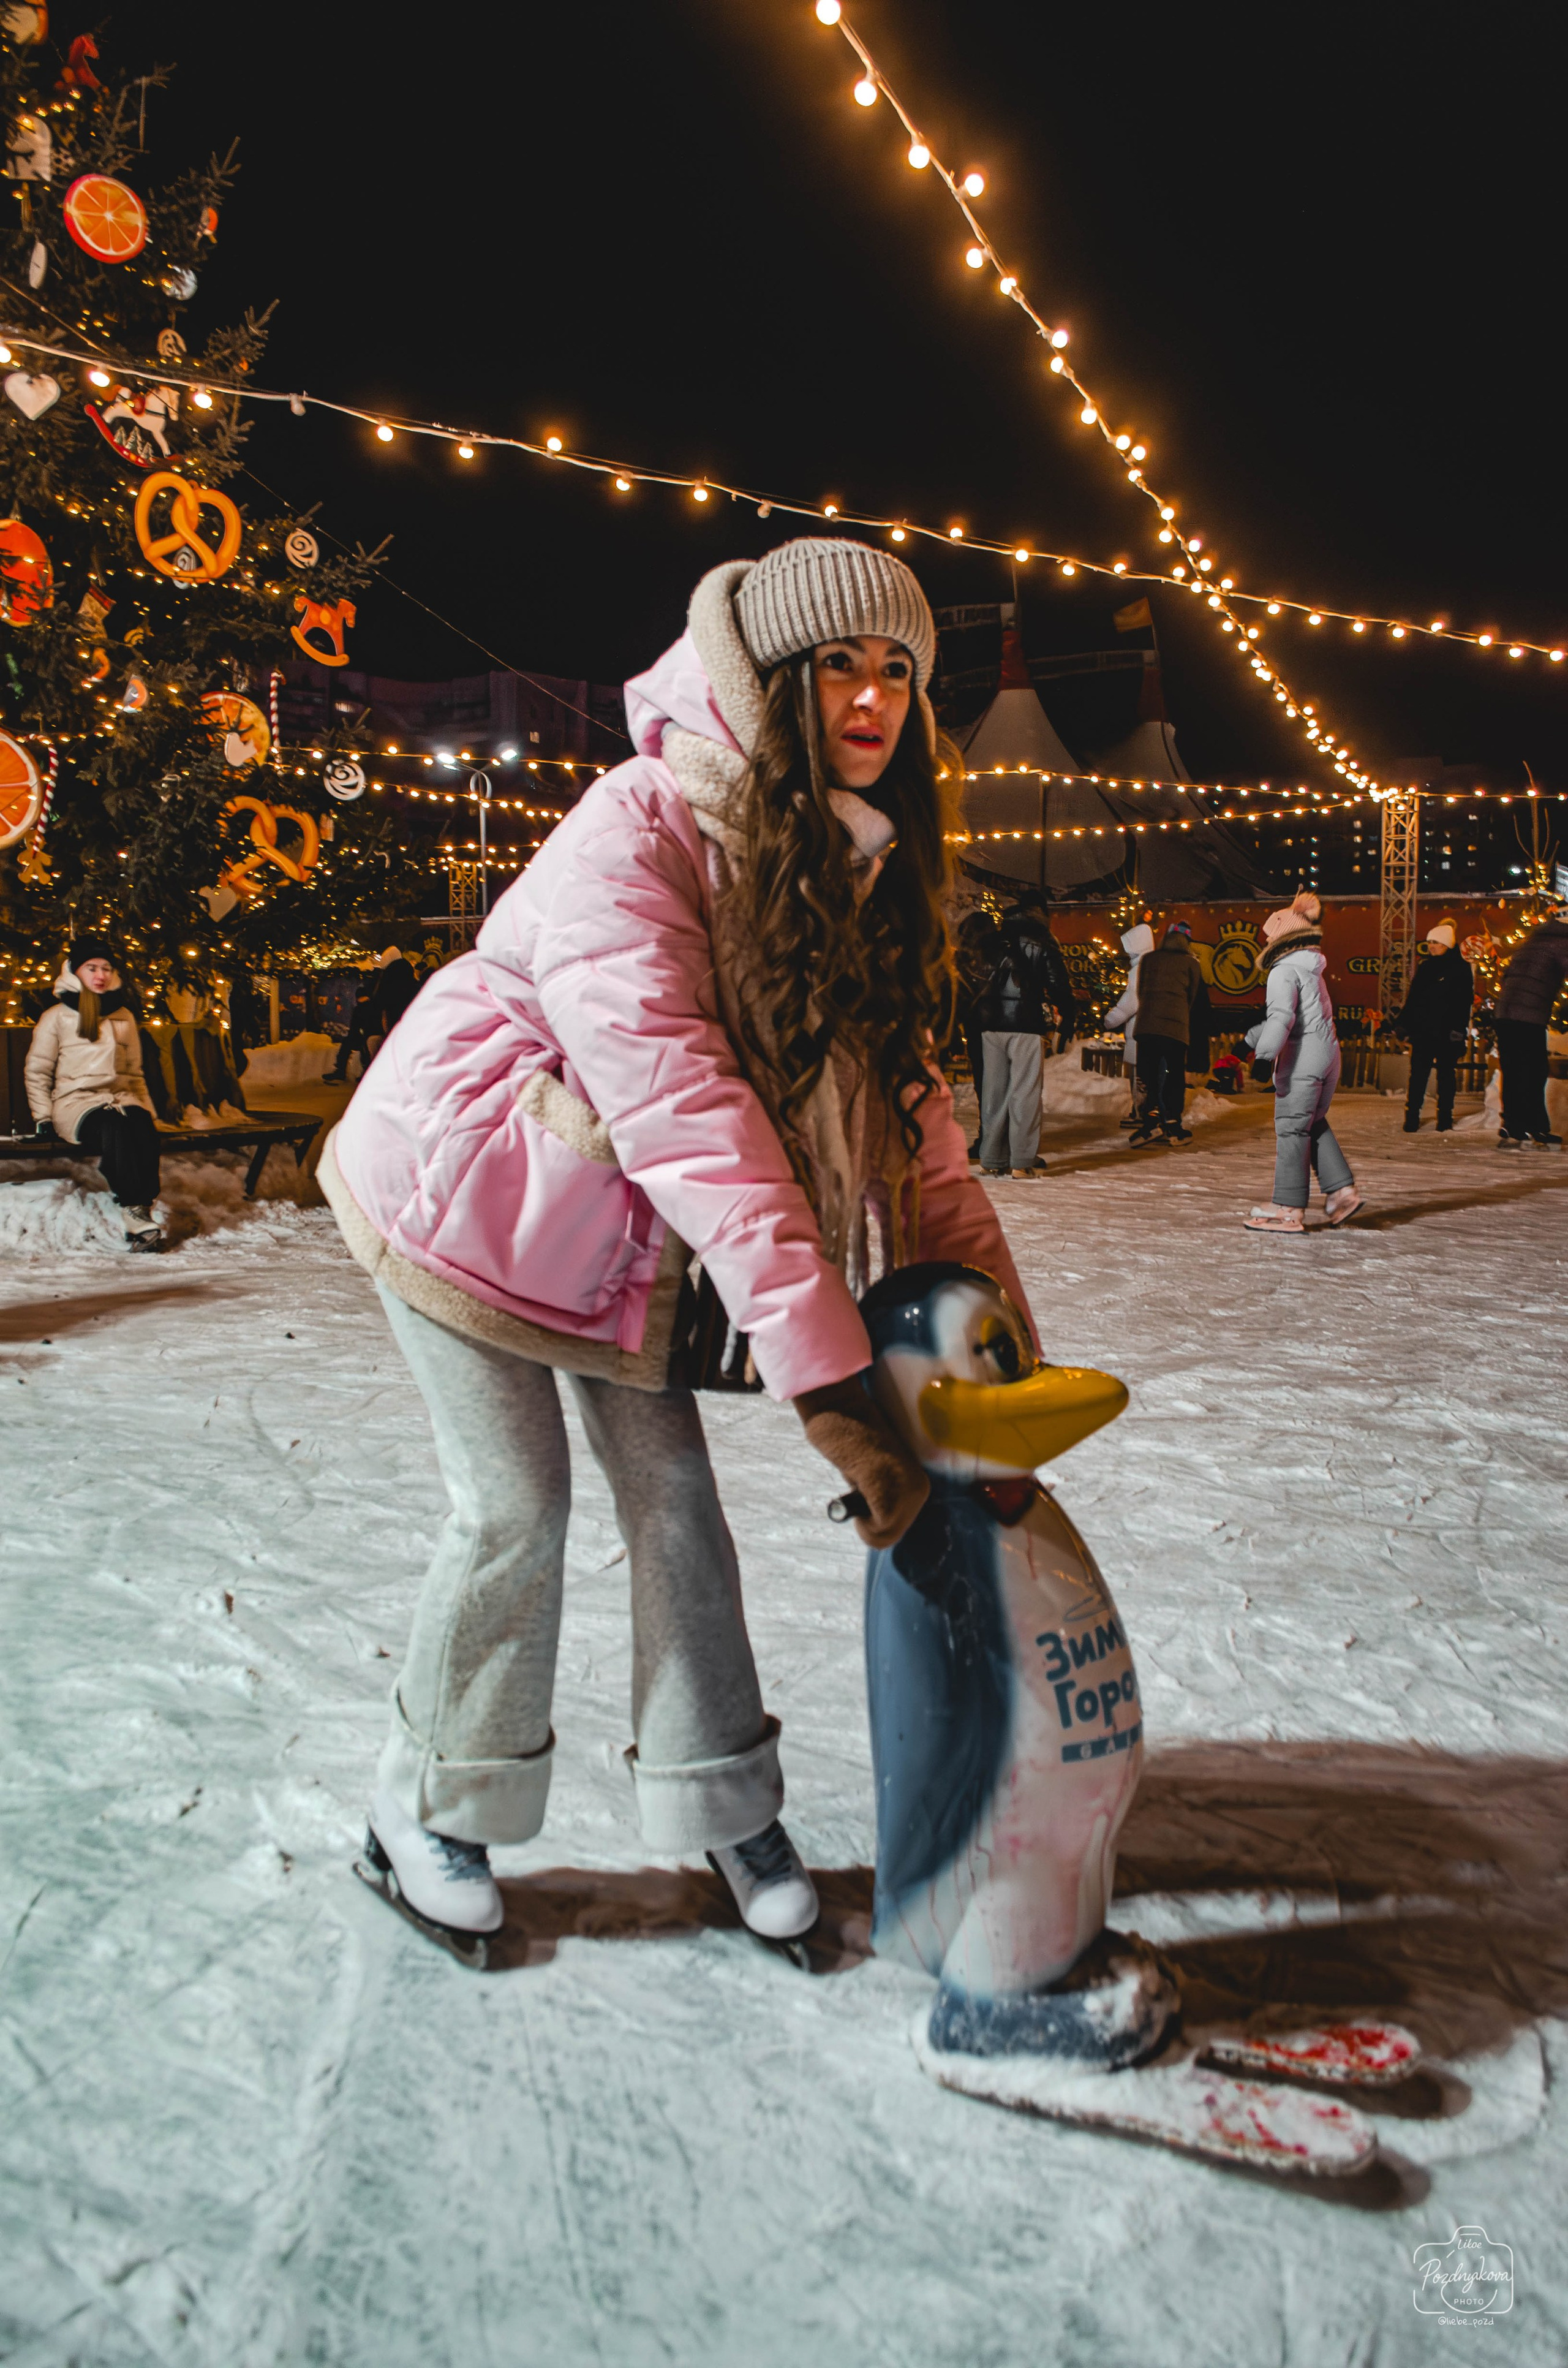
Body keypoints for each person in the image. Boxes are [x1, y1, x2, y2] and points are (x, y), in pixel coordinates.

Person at [318, 539, 1036, 1961]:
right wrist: (830, 1384)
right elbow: (686, 1114)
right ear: (768, 679)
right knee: (514, 1503)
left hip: (608, 1236)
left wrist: (999, 1351)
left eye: (897, 667)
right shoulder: (635, 827)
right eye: (838, 660)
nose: (872, 694)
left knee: (674, 1509)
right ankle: (427, 1808)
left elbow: (918, 1142)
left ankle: (719, 1800)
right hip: (465, 1192)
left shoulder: (856, 867)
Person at [24, 936, 165, 1252]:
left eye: (106, 968)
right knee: (113, 1128)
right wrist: (43, 1117)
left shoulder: (123, 1015)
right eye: (92, 968)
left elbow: (134, 1073)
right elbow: (38, 1071)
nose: (100, 975)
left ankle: (142, 1208)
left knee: (142, 1128)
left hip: (120, 1098)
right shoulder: (56, 1017)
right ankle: (133, 1210)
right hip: (76, 1105)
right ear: (76, 972)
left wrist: (148, 1112)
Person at [1242, 891, 1363, 1233]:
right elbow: (1299, 1017)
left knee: (1293, 1128)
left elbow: (1281, 1017)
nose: (1266, 942)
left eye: (1269, 937)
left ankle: (1288, 1207)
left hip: (1303, 1061)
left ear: (1280, 938)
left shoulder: (1282, 972)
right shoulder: (1311, 971)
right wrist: (1249, 1041)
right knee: (1312, 1122)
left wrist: (1264, 1057)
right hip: (1328, 1056)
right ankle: (1342, 1191)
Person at [971, 898, 1077, 1178]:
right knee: (1025, 1091)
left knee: (993, 1091)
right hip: (1025, 1023)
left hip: (990, 1024)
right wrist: (1067, 1013)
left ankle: (991, 1158)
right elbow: (1058, 983)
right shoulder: (1043, 940)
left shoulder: (992, 940)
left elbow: (976, 979)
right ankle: (1021, 1161)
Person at [1493, 900, 1568, 1149]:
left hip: (1505, 1013)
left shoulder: (1533, 940)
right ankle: (1537, 1128)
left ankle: (1513, 1127)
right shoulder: (1562, 940)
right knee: (1534, 1071)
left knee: (1513, 1070)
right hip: (1529, 1015)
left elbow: (1508, 975)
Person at [1391, 918, 1474, 1133]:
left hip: (1447, 1033)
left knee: (1446, 1076)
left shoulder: (1460, 969)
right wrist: (1403, 1024)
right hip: (1424, 1032)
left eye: (1436, 942)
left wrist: (1458, 1030)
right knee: (1418, 1076)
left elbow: (1464, 1002)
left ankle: (1444, 1118)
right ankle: (1412, 1117)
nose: (1431, 946)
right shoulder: (1426, 967)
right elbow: (1415, 999)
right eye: (1430, 942)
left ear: (1447, 944)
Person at [1128, 919, 1204, 1146]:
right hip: (1175, 1030)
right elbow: (1192, 997)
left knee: (1150, 1076)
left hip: (1147, 1028)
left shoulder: (1148, 960)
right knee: (1173, 1077)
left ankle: (1150, 1123)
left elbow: (1141, 992)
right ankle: (1173, 1126)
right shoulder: (1191, 963)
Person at [1102, 918, 1155, 1129]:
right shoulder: (1151, 966)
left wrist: (1110, 1019)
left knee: (1139, 1075)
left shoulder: (1139, 970)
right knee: (1146, 1073)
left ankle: (1140, 1111)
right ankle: (1145, 1110)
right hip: (1149, 1027)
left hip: (1138, 1029)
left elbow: (1131, 1002)